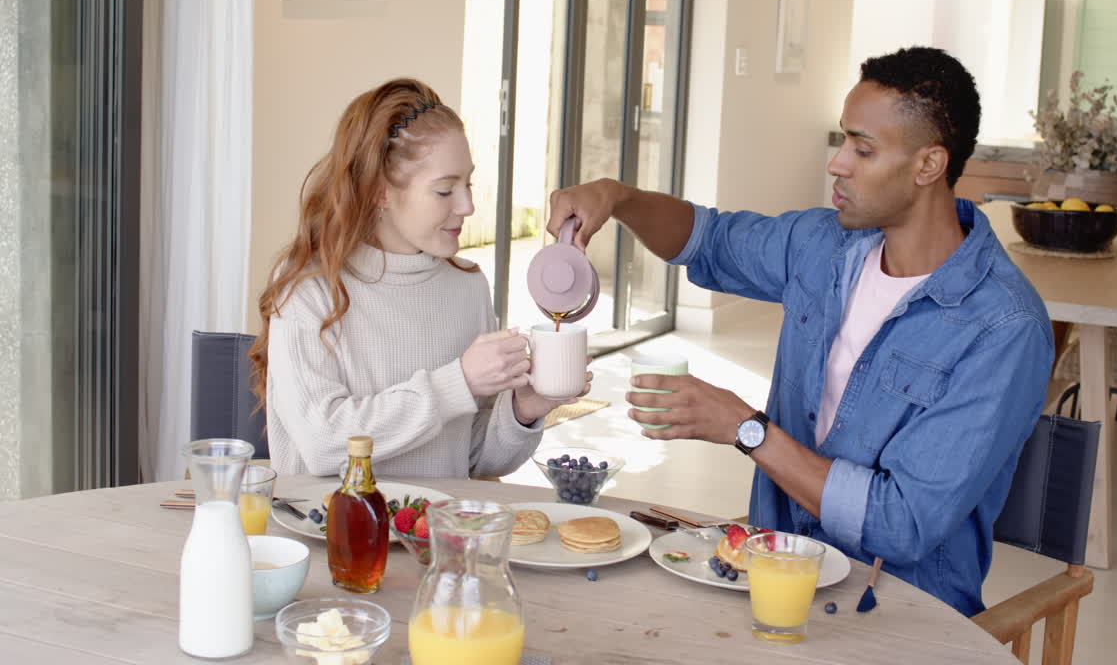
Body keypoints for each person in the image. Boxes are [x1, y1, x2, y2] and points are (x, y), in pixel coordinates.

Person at [546, 47, 1053, 615]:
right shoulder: (825, 246)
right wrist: (617, 197)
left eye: (863, 148)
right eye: (842, 141)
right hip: (770, 577)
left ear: (929, 165)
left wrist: (747, 429)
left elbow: (901, 524)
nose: (837, 164)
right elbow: (706, 238)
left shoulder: (1004, 329)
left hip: (898, 616)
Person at [249, 78, 588, 478]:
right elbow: (323, 445)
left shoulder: (467, 287)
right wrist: (457, 383)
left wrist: (522, 411)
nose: (468, 205)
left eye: (469, 183)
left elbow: (474, 462)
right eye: (445, 191)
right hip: (331, 534)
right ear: (380, 192)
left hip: (438, 534)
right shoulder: (308, 289)